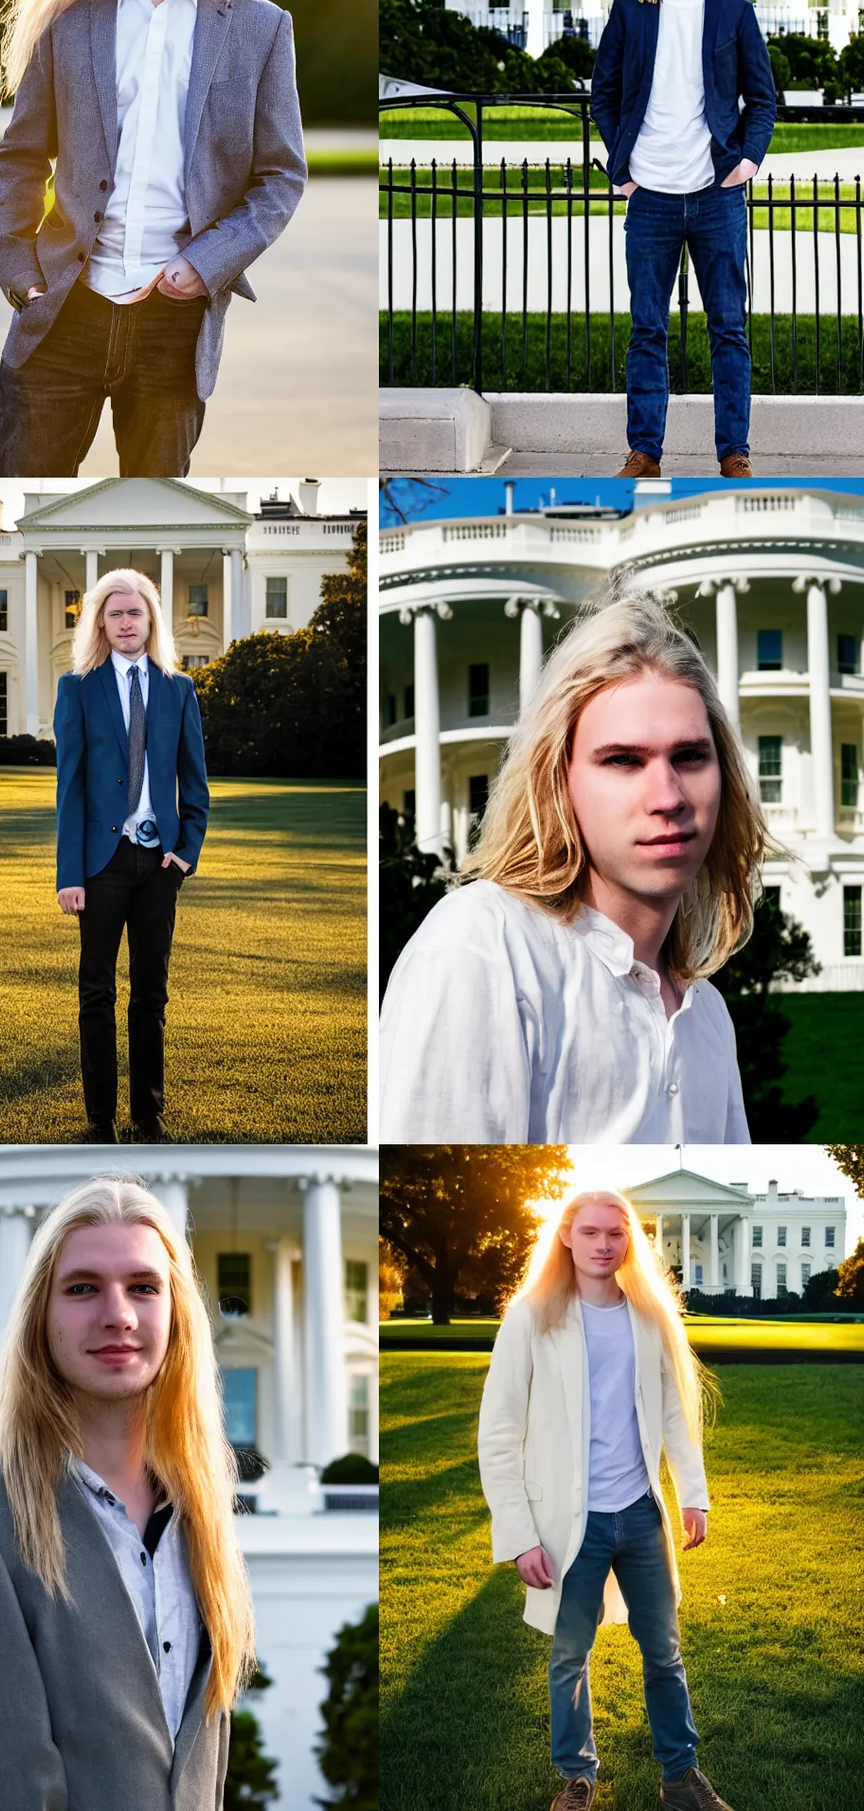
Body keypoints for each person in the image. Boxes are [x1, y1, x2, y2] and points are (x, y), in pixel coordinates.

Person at [377, 584, 801, 1143]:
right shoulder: (485, 949)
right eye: (623, 760)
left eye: (691, 756)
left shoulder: (709, 1016)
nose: (668, 795)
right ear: (560, 780)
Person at [0, 1174, 256, 1811]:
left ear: (176, 1313)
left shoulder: (202, 1520)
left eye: (143, 1287)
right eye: (83, 1288)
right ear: (41, 1315)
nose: (117, 1314)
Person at [0, 0, 307, 478]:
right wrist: (22, 276)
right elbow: (20, 156)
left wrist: (208, 261)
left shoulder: (259, 29)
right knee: (27, 501)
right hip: (64, 310)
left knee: (157, 510)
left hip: (176, 318)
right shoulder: (68, 18)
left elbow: (279, 177)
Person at [477, 1189, 733, 1811]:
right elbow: (499, 1433)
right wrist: (518, 1535)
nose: (602, 1245)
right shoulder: (532, 1315)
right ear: (565, 1235)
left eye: (615, 1234)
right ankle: (576, 1777)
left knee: (664, 1653)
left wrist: (691, 1495)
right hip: (568, 1526)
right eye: (590, 1232)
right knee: (569, 1657)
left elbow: (675, 1412)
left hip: (641, 1516)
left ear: (629, 1240)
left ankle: (682, 1777)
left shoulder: (647, 1316)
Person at [591, 0, 776, 482]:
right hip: (650, 198)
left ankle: (734, 454)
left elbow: (763, 99)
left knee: (729, 329)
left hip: (717, 193)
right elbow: (604, 94)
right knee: (647, 329)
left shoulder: (735, 14)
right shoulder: (629, 12)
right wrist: (622, 166)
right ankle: (644, 453)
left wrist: (748, 159)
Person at [54, 568, 209, 1142]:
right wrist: (70, 873)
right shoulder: (78, 688)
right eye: (114, 613)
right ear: (100, 621)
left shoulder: (178, 689)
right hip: (101, 863)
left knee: (151, 994)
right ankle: (100, 1122)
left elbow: (195, 783)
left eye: (134, 612)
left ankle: (148, 1116)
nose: (125, 622)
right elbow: (69, 788)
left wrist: (186, 853)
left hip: (159, 865)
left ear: (150, 621)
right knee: (96, 992)